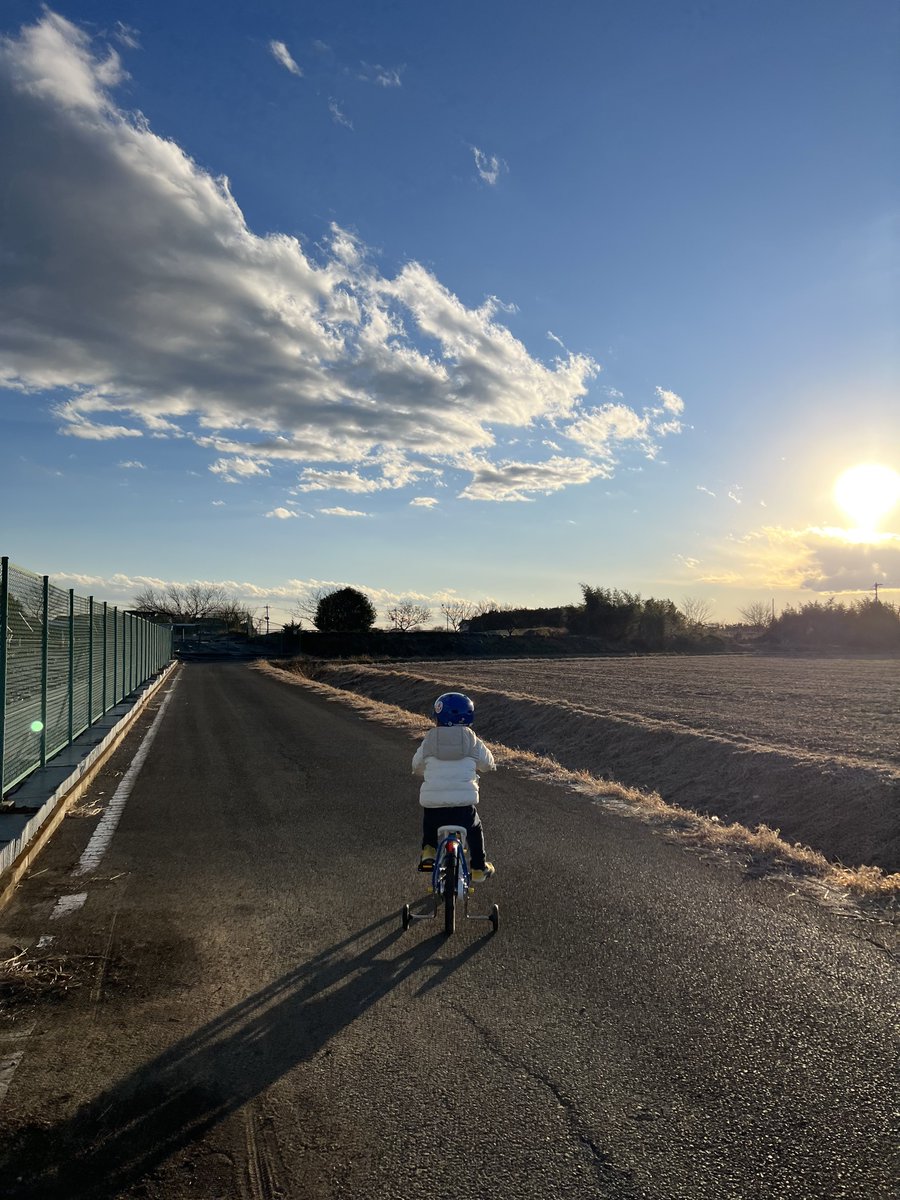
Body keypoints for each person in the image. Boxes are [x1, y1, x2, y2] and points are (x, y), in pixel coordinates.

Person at [412, 691, 496, 882]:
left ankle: (428, 851)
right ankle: (478, 868)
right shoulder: (473, 741)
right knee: (475, 829)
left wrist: (421, 772)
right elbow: (487, 763)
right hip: (463, 809)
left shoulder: (430, 741)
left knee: (429, 821)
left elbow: (416, 765)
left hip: (435, 808)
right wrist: (487, 767)